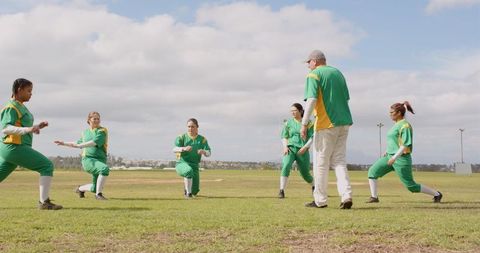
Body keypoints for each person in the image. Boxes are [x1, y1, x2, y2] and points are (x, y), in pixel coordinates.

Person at [301, 50, 354, 209]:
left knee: (320, 163)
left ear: (314, 61)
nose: (308, 66)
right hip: (344, 122)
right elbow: (346, 98)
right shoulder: (338, 73)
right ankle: (346, 195)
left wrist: (304, 123)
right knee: (339, 162)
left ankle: (320, 200)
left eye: (308, 63)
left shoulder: (314, 75)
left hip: (325, 123)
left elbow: (311, 100)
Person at [0, 78, 62, 210]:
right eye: (28, 91)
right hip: (14, 147)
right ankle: (44, 202)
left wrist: (36, 126)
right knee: (46, 166)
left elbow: (22, 126)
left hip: (12, 149)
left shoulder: (21, 107)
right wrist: (29, 129)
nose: (31, 94)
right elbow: (6, 128)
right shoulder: (11, 107)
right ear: (19, 90)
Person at [366, 102, 442, 203]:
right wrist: (387, 151)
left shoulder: (405, 126)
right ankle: (374, 197)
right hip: (389, 156)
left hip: (401, 159)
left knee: (411, 186)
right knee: (372, 172)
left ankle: (437, 194)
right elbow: (394, 141)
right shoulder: (396, 125)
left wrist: (394, 158)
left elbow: (405, 145)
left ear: (399, 113)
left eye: (391, 112)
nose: (390, 114)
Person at [55, 112, 109, 200]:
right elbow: (78, 143)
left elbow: (94, 142)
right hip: (88, 160)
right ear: (89, 120)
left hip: (101, 160)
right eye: (94, 118)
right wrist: (64, 143)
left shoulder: (102, 131)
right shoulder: (84, 132)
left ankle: (80, 189)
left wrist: (80, 146)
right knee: (104, 169)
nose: (96, 120)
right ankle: (98, 195)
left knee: (95, 188)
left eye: (98, 119)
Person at [278, 103, 314, 198]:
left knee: (305, 173)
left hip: (302, 150)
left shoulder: (309, 123)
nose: (293, 112)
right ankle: (281, 190)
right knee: (286, 166)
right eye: (291, 111)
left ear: (301, 111)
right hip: (290, 148)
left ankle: (315, 187)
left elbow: (312, 137)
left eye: (295, 110)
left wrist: (305, 147)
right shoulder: (288, 123)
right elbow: (284, 136)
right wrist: (285, 146)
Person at [173, 118, 211, 198]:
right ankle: (188, 194)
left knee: (195, 191)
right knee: (188, 171)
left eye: (192, 126)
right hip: (182, 163)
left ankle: (188, 190)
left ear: (197, 127)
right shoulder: (181, 137)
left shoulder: (202, 139)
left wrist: (203, 152)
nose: (190, 128)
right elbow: (174, 149)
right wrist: (183, 148)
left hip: (194, 165)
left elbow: (209, 153)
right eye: (189, 126)